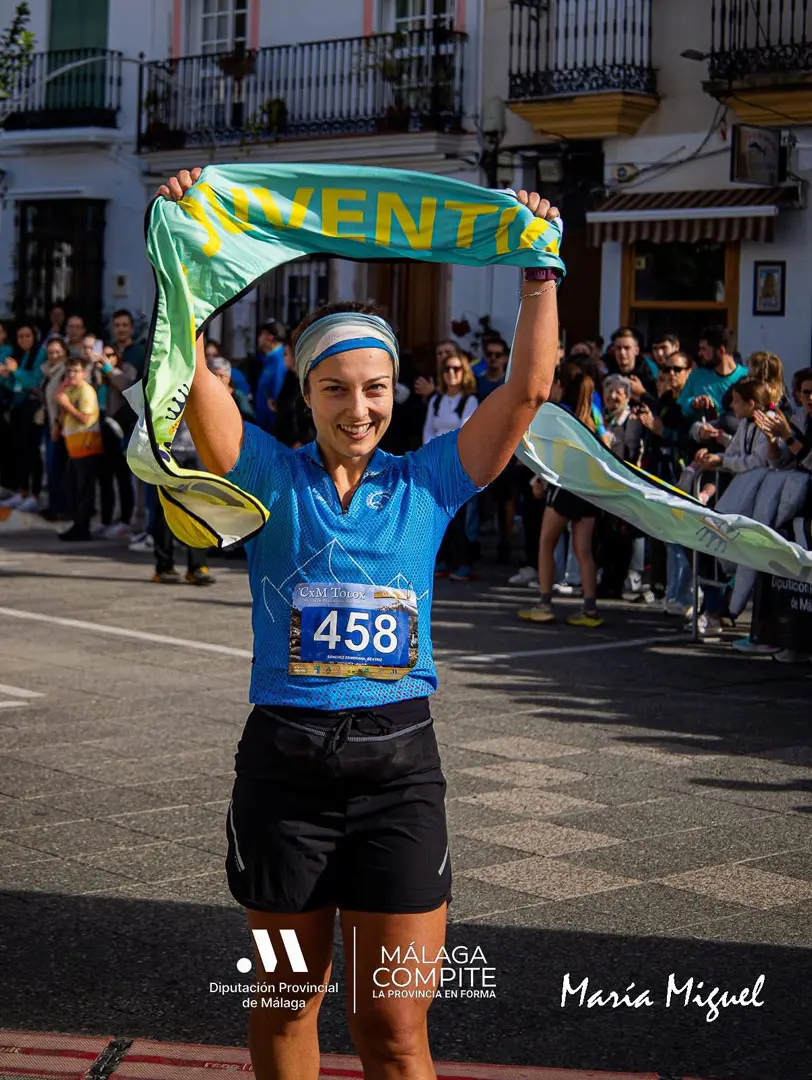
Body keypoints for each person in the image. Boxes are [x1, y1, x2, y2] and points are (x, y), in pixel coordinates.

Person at [157, 166, 560, 1080]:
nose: (360, 408)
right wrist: (181, 242)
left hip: (400, 783)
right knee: (283, 1015)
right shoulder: (266, 475)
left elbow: (528, 392)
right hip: (283, 781)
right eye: (336, 390)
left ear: (396, 392)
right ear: (306, 394)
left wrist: (540, 272)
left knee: (396, 1030)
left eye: (375, 388)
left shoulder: (429, 482)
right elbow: (188, 375)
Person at [520, 363, 609, 627]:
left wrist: (538, 479)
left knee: (546, 543)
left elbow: (551, 454)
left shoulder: (560, 414)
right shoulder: (592, 412)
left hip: (565, 487)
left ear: (559, 385)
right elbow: (605, 445)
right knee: (584, 551)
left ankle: (545, 603)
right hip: (589, 489)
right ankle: (590, 609)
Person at [638, 351, 695, 614]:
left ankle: (683, 597)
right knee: (664, 536)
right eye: (666, 370)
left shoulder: (691, 404)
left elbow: (693, 439)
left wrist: (663, 431)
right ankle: (670, 592)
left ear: (689, 371)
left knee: (680, 538)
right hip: (662, 472)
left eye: (677, 369)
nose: (671, 375)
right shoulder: (664, 400)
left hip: (684, 475)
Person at [422, 350, 479, 582]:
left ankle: (463, 562)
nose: (451, 374)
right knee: (438, 515)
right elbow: (428, 430)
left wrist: (448, 459)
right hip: (436, 466)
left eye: (456, 369)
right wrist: (429, 458)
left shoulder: (470, 400)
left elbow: (464, 431)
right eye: (447, 369)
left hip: (458, 465)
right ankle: (443, 561)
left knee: (460, 517)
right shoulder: (436, 400)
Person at [54, 356, 103, 541]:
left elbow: (84, 418)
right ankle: (77, 525)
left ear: (84, 373)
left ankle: (83, 528)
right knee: (72, 489)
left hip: (86, 447)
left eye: (76, 371)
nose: (72, 374)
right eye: (68, 371)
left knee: (84, 491)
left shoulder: (85, 391)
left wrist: (66, 405)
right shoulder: (71, 390)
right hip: (74, 449)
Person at [0, 323, 47, 512]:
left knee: (32, 452)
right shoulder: (17, 355)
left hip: (33, 410)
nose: (24, 340)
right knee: (18, 451)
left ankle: (34, 495)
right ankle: (22, 491)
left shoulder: (40, 354)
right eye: (20, 337)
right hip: (18, 409)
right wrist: (5, 375)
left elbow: (35, 381)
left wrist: (16, 370)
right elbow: (14, 385)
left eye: (28, 336)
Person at [95, 343, 138, 537]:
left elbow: (128, 387)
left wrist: (109, 370)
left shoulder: (125, 369)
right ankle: (105, 519)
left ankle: (125, 520)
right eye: (103, 356)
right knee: (104, 477)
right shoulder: (96, 374)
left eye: (111, 355)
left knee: (122, 478)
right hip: (100, 428)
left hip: (120, 429)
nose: (106, 359)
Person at [678, 325, 747, 421]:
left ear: (721, 351)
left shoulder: (746, 377)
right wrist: (694, 403)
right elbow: (680, 408)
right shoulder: (696, 376)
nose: (699, 353)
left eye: (704, 349)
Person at [41, 337, 71, 520]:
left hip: (60, 426)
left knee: (58, 467)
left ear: (65, 352)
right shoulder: (49, 371)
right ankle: (54, 506)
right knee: (52, 467)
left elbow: (62, 400)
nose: (54, 355)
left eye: (57, 352)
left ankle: (60, 508)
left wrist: (57, 424)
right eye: (51, 352)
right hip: (49, 422)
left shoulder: (65, 372)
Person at [605, 327, 657, 399]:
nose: (622, 353)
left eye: (627, 348)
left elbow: (658, 406)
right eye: (618, 348)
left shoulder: (649, 376)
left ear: (636, 351)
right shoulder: (609, 375)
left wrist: (642, 393)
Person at [208, 355, 256, 423]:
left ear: (228, 378)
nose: (218, 379)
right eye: (215, 375)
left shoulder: (238, 396)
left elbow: (249, 418)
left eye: (221, 376)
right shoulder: (208, 396)